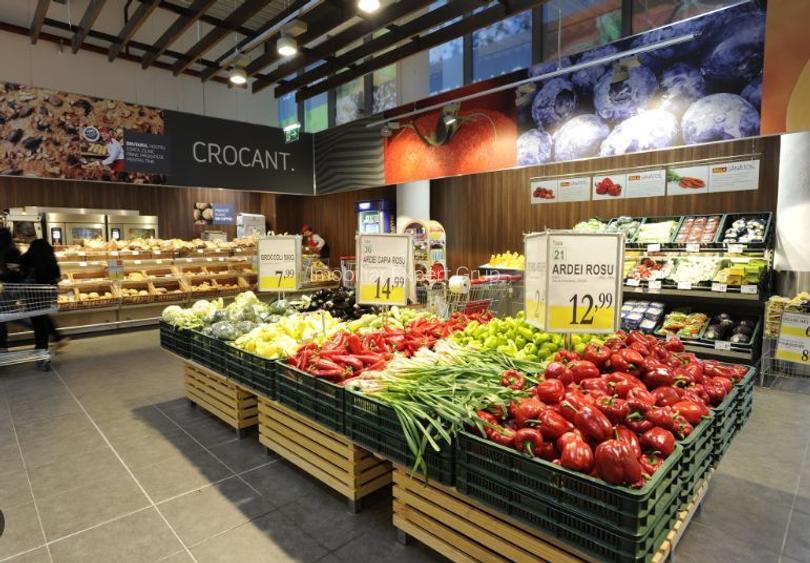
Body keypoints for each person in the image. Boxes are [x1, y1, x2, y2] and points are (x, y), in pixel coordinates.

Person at [19, 239, 68, 351]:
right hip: (46, 292)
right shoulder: (50, 258)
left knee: (38, 318)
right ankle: (54, 339)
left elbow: (22, 267)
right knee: (42, 316)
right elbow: (57, 275)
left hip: (33, 293)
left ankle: (43, 346)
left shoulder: (28, 257)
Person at [0, 227, 22, 352]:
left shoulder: (11, 251)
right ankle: (2, 345)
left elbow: (14, 272)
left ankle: (2, 345)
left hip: (11, 288)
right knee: (4, 315)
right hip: (8, 287)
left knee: (9, 315)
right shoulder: (8, 250)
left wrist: (1, 275)